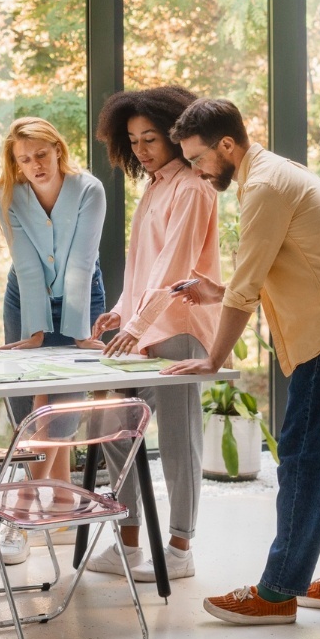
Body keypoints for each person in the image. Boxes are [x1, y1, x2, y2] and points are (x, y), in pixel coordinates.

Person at [165, 98, 320, 624]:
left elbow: (246, 291)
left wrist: (212, 358)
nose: (199, 172)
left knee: (305, 459)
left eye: (199, 158)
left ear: (227, 145)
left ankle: (276, 592)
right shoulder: (276, 172)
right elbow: (286, 267)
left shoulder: (265, 187)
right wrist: (215, 291)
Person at [87, 85, 221, 584]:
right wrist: (121, 311)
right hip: (142, 329)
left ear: (173, 133)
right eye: (133, 140)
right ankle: (127, 542)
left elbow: (176, 267)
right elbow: (144, 267)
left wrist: (138, 325)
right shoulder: (154, 185)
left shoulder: (192, 186)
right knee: (119, 424)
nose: (142, 149)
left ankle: (181, 548)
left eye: (150, 138)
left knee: (180, 439)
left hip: (180, 327)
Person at [0, 117, 106, 565]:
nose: (35, 165)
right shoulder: (10, 197)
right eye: (24, 159)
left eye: (41, 154)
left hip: (83, 296)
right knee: (32, 408)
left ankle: (21, 515)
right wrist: (35, 332)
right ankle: (60, 505)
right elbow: (27, 266)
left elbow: (81, 260)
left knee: (55, 412)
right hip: (25, 298)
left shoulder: (89, 190)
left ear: (58, 149)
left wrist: (78, 333)